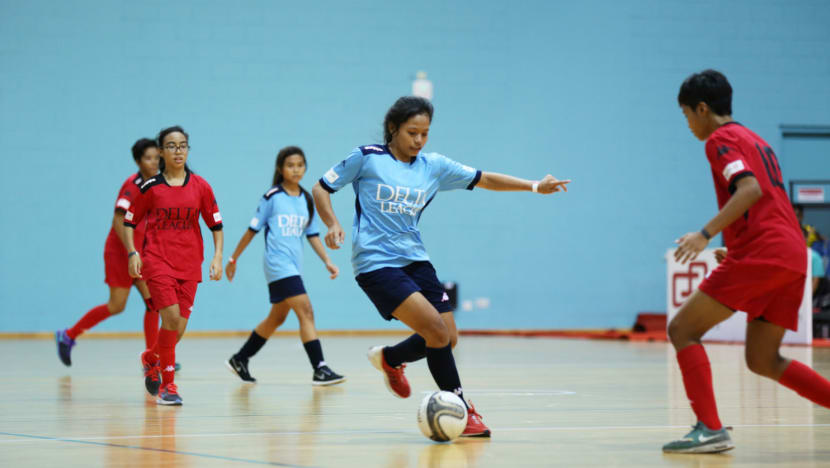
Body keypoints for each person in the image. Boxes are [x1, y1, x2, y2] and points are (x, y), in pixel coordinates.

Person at [312, 96, 570, 438]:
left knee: (448, 336)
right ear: (393, 128)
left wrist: (535, 186)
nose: (419, 140)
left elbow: (485, 179)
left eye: (425, 133)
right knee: (435, 331)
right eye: (412, 133)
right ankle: (462, 410)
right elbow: (321, 188)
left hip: (417, 260)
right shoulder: (367, 158)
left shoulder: (433, 166)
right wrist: (332, 223)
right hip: (376, 263)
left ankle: (391, 358)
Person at [667, 69, 830, 453]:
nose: (688, 124)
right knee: (762, 359)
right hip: (790, 254)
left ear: (702, 109)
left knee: (682, 329)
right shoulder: (756, 139)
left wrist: (704, 234)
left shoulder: (719, 139)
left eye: (686, 115)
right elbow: (768, 203)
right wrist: (740, 245)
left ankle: (710, 429)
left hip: (765, 252)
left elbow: (750, 190)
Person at [224, 146, 345, 386]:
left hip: (293, 266)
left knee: (277, 318)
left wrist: (328, 261)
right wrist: (233, 258)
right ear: (280, 169)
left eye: (300, 165)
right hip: (277, 264)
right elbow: (252, 230)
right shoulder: (272, 197)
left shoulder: (307, 199)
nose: (296, 170)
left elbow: (312, 235)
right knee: (306, 311)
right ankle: (320, 368)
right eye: (290, 165)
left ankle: (240, 358)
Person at [125, 125, 224, 406]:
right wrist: (133, 253)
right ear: (161, 152)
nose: (178, 151)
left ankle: (151, 357)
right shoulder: (150, 188)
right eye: (171, 146)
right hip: (157, 261)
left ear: (187, 150)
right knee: (169, 319)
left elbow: (216, 225)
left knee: (177, 329)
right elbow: (129, 221)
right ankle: (168, 386)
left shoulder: (201, 186)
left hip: (190, 263)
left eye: (182, 145)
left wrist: (217, 256)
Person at [56, 138, 160, 366]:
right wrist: (132, 252)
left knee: (154, 303)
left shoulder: (156, 185)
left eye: (156, 158)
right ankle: (68, 335)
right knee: (116, 306)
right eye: (148, 158)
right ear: (138, 161)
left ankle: (152, 358)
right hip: (122, 253)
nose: (154, 162)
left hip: (141, 254)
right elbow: (118, 220)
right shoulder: (132, 186)